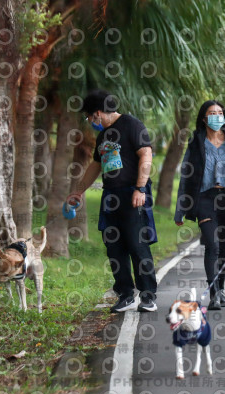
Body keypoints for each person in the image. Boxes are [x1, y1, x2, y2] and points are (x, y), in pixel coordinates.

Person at [67, 89, 158, 313]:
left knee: (137, 246)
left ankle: (148, 296)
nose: (89, 121)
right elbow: (95, 166)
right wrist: (78, 191)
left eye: (89, 116)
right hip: (111, 197)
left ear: (98, 112)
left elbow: (146, 155)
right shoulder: (103, 136)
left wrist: (140, 188)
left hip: (133, 194)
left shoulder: (131, 125)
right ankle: (125, 294)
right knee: (114, 248)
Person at [175, 100, 225, 310]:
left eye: (220, 112)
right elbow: (186, 174)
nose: (216, 116)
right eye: (212, 113)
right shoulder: (196, 141)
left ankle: (220, 288)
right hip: (204, 198)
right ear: (204, 118)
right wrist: (181, 209)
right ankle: (213, 294)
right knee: (212, 244)